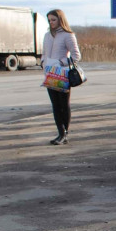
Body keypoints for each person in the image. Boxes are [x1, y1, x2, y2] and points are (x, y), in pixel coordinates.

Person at [41, 9, 81, 145]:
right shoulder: (47, 35)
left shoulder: (68, 35)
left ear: (60, 20)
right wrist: (43, 62)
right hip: (49, 74)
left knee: (64, 104)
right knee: (55, 105)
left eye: (54, 19)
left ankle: (65, 133)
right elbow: (44, 52)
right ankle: (60, 132)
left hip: (62, 74)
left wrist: (61, 62)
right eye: (49, 20)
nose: (51, 22)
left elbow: (76, 56)